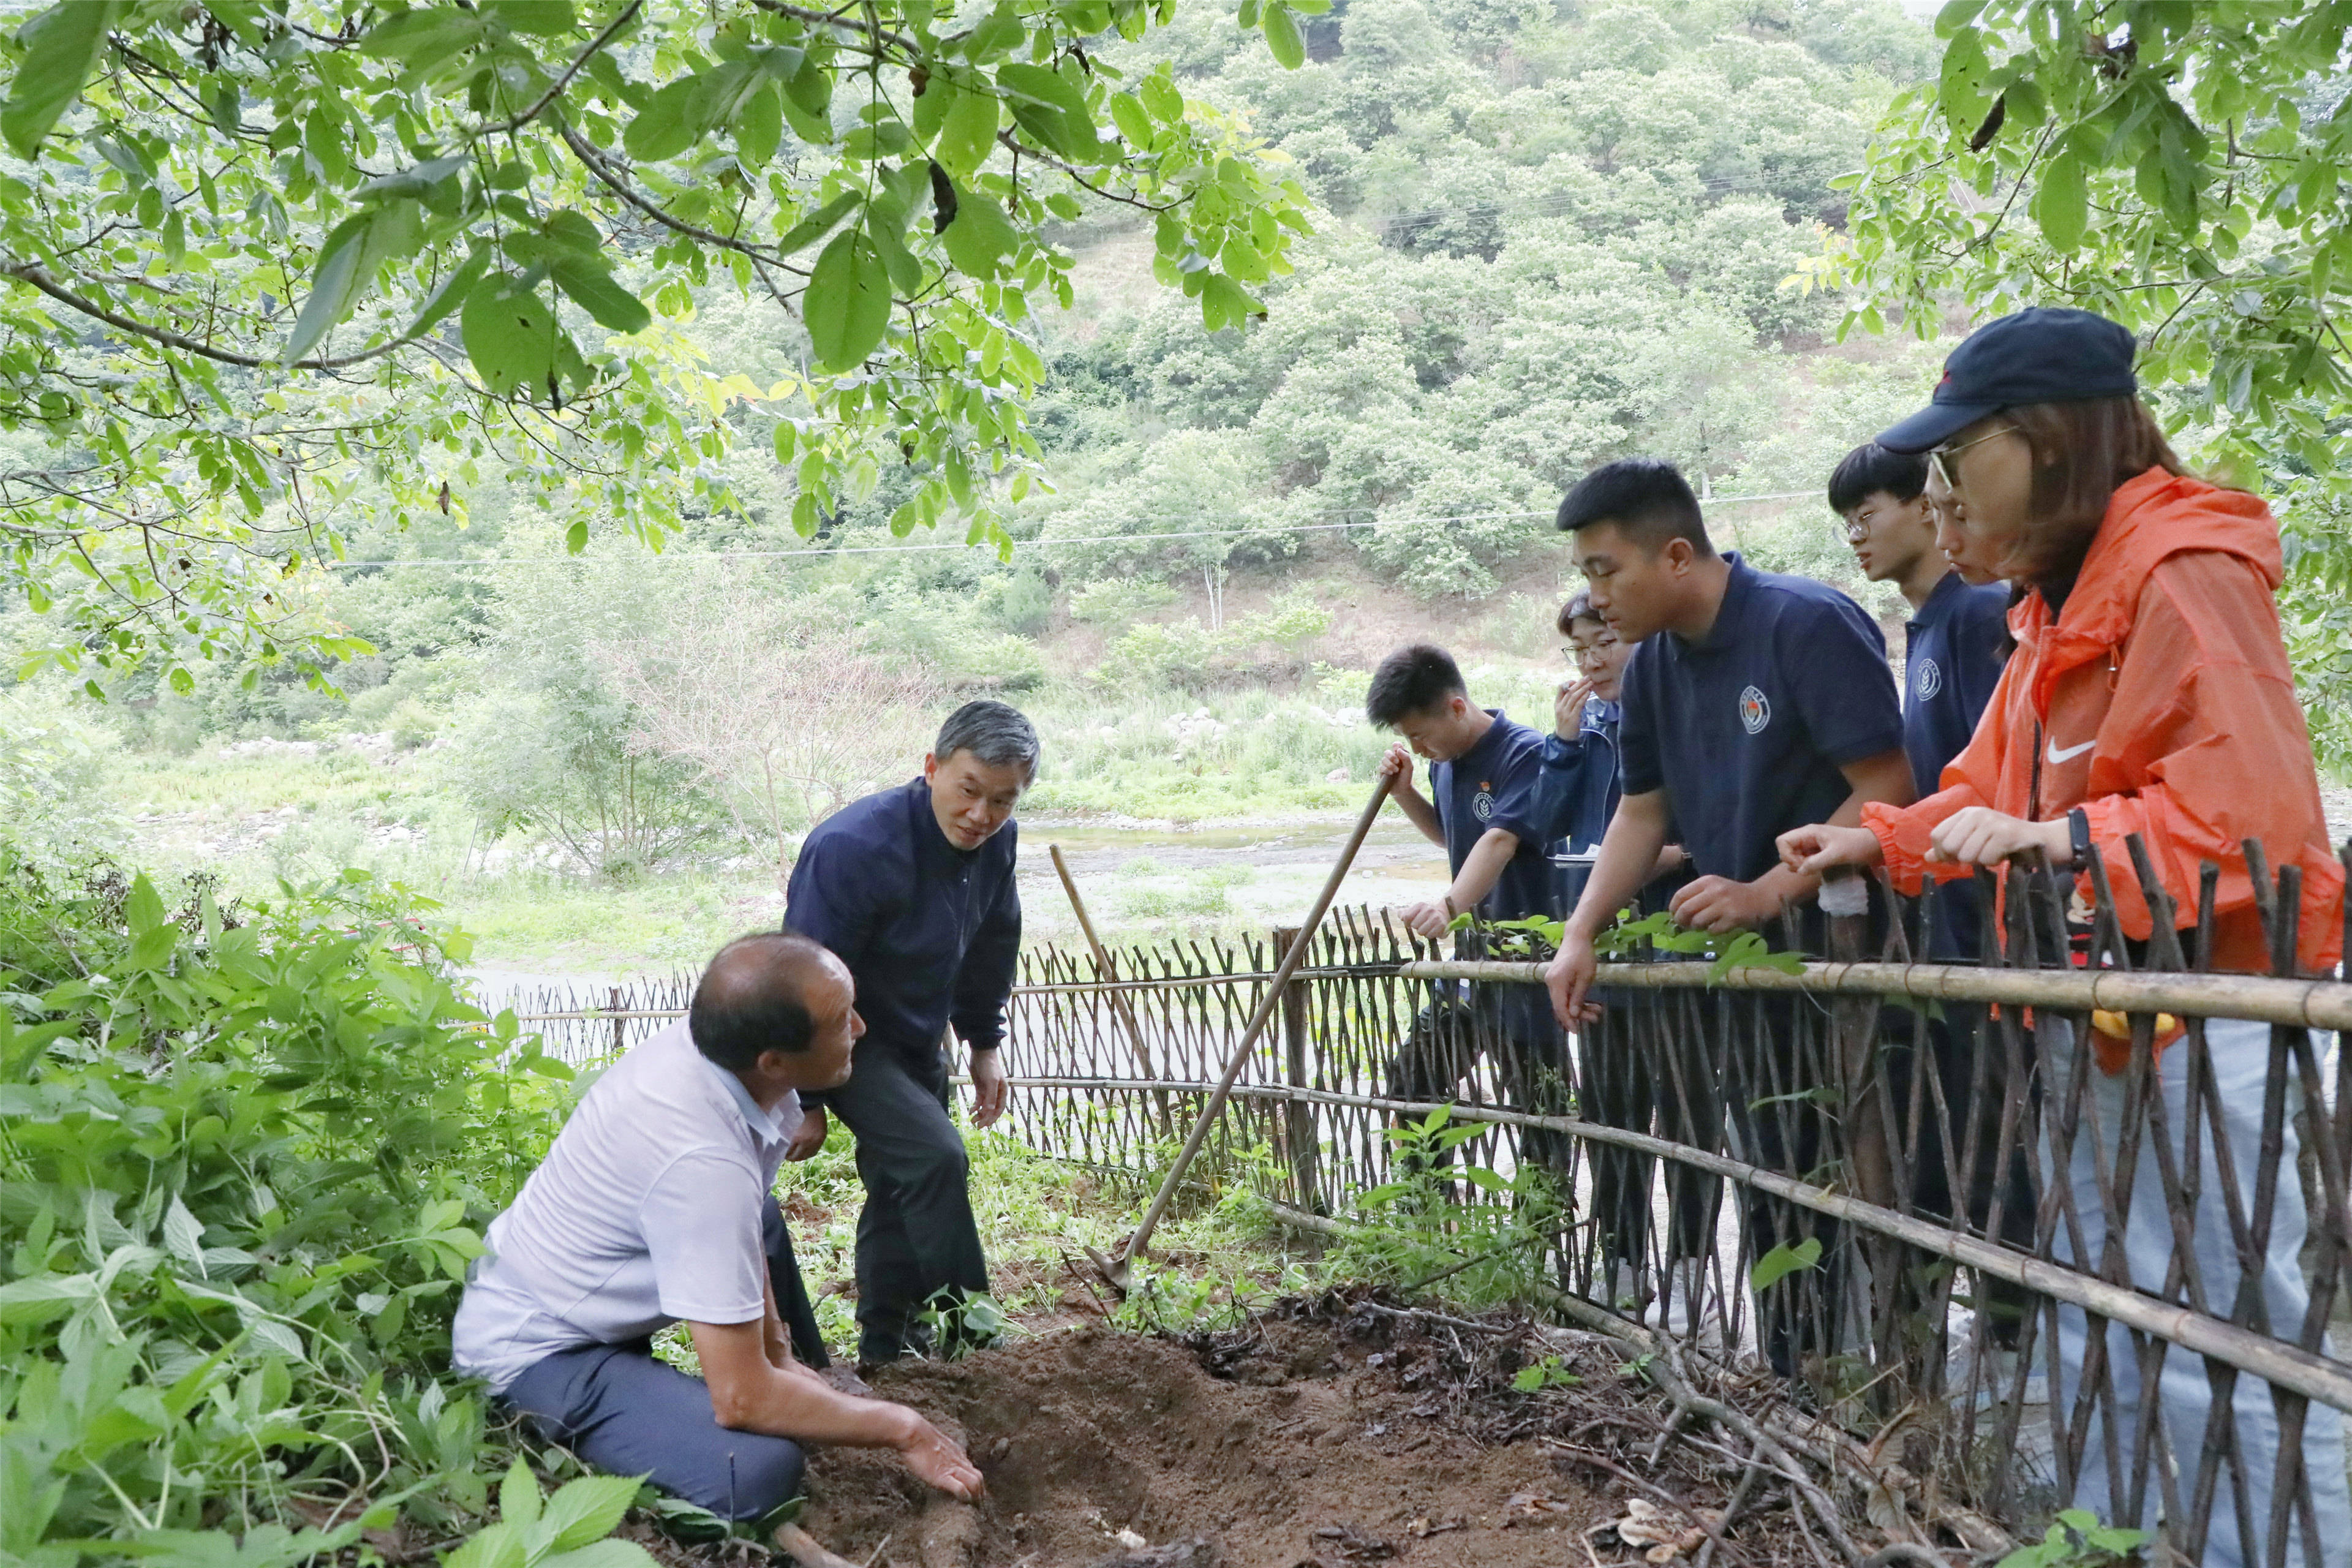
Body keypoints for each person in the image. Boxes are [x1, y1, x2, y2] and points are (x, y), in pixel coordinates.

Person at [1779, 306, 2348, 1567]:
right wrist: (1884, 836)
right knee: (2113, 1308)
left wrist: (2067, 843)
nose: (1940, 491)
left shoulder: (2180, 569)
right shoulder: (2058, 604)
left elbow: (2253, 814)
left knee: (2233, 1330)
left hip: (2211, 1010)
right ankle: (2125, 1542)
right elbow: (1990, 779)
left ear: (2040, 441)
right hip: (2105, 1016)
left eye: (1955, 456)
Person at [1542, 458, 1915, 1374]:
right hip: (1745, 966)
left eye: (1604, 569)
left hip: (1843, 952)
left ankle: (1882, 1375)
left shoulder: (1802, 624)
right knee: (1772, 1168)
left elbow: (1888, 791)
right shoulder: (1659, 668)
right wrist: (1580, 933)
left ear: (1675, 555)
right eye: (1585, 573)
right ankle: (1800, 1371)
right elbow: (1642, 809)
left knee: (1859, 1169)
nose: (1595, 595)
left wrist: (1764, 892)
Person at [452, 934, 984, 1520]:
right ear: (775, 1061)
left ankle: (803, 1384)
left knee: (763, 1223)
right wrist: (904, 1429)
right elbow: (739, 1399)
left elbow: (746, 1210)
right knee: (756, 1475)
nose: (859, 1027)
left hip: (588, 1294)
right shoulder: (700, 1162)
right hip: (540, 1353)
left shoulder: (715, 1058)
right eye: (840, 1020)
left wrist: (778, 1353)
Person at [785, 699, 1031, 1368]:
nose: (981, 815)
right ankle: (976, 1339)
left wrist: (983, 1043)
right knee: (936, 1157)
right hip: (844, 1041)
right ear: (932, 768)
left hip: (919, 1035)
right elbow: (801, 968)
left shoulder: (996, 843)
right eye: (969, 790)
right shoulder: (853, 848)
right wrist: (803, 1097)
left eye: (1003, 801)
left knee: (900, 1184)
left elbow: (991, 941)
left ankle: (883, 1349)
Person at [1537, 592, 1697, 1295]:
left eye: (1605, 640)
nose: (1593, 660)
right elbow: (1543, 828)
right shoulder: (1589, 727)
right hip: (1605, 947)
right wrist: (1565, 749)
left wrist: (1669, 855)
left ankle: (1694, 1271)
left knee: (1690, 1113)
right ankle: (1624, 1264)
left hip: (1681, 940)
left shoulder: (1685, 712)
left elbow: (1723, 822)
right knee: (1611, 1110)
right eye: (1579, 649)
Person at [1366, 644, 1565, 1176]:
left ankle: (1542, 1226)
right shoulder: (1446, 765)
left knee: (1538, 1103)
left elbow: (1499, 841)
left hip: (1528, 954)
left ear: (1456, 707)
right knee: (1414, 1077)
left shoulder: (1525, 753)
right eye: (1408, 739)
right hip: (1473, 957)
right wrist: (1406, 793)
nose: (1418, 746)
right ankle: (1427, 1210)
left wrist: (1450, 903)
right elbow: (1450, 837)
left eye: (1419, 734)